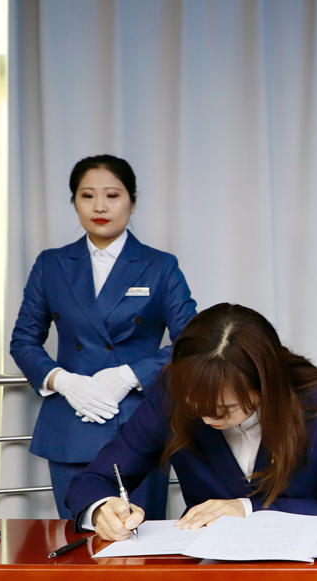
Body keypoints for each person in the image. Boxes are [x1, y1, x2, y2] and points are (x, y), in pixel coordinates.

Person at [66, 303, 317, 541]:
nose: (207, 417)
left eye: (225, 408)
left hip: (308, 569)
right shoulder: (171, 394)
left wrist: (247, 509)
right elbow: (93, 480)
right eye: (194, 405)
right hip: (207, 567)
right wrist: (101, 509)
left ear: (265, 385)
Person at [10, 155, 197, 519]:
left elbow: (192, 342)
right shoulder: (51, 264)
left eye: (112, 195)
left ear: (132, 201)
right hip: (71, 422)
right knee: (78, 537)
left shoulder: (160, 265)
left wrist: (130, 375)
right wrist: (62, 381)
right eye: (87, 195)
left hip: (139, 421)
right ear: (74, 202)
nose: (99, 206)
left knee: (140, 538)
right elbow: (23, 340)